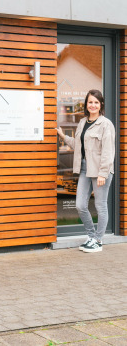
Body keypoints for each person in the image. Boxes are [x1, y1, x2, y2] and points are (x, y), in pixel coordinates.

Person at [56, 89, 115, 253]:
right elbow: (78, 146)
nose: (93, 105)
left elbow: (108, 151)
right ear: (86, 104)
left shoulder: (106, 124)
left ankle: (98, 240)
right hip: (84, 168)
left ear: (101, 104)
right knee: (80, 205)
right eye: (90, 102)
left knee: (100, 205)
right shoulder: (82, 123)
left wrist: (103, 173)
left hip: (100, 170)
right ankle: (91, 235)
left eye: (96, 102)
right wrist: (63, 137)